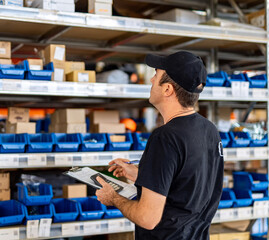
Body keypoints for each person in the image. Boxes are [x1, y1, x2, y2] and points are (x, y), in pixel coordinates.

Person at [96, 51, 224, 240]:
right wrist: (139, 174)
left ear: (167, 90)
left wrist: (113, 197)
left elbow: (147, 218)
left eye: (156, 75)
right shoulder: (209, 130)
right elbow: (185, 185)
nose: (151, 79)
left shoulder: (165, 137)